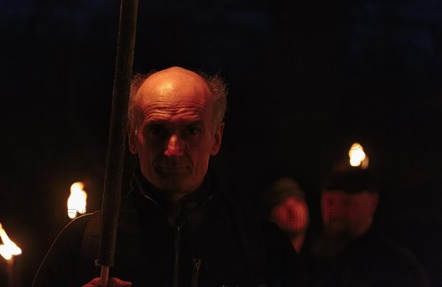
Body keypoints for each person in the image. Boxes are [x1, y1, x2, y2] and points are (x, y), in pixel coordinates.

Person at [33, 66, 303, 286]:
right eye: (157, 131)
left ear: (216, 138)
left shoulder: (263, 246)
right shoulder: (84, 243)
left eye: (192, 131)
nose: (173, 150)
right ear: (132, 137)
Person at [303, 168, 430, 287]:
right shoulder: (312, 260)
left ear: (373, 203)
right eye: (329, 202)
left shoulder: (396, 266)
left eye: (347, 202)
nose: (336, 211)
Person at [263, 177, 310, 254]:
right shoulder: (263, 258)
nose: (292, 210)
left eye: (297, 201)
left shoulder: (322, 258)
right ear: (270, 215)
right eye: (282, 203)